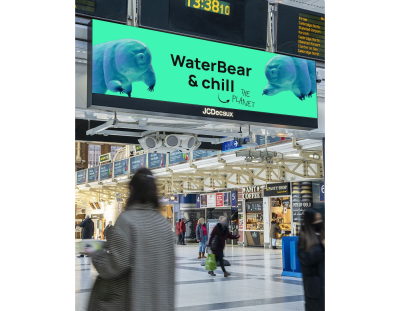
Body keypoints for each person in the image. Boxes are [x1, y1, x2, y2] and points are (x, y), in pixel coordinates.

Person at [81, 167, 175, 311]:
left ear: (131, 189)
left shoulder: (128, 219)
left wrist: (96, 254)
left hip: (132, 301)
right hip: (159, 302)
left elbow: (115, 266)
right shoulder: (163, 223)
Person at [297, 208, 325, 311]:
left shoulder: (322, 234)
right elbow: (305, 258)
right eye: (316, 219)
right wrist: (321, 247)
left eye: (320, 219)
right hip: (315, 287)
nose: (319, 222)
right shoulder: (303, 239)